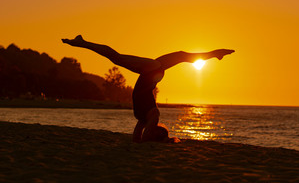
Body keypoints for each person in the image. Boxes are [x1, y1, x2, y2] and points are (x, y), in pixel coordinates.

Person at [62, 35, 234, 143]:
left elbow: (140, 139)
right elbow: (138, 138)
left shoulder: (151, 116)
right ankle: (215, 54)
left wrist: (161, 141)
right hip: (150, 74)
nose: (158, 126)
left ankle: (82, 43)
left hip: (151, 71)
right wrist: (162, 141)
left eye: (159, 130)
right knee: (182, 56)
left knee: (118, 58)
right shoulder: (142, 117)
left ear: (156, 130)